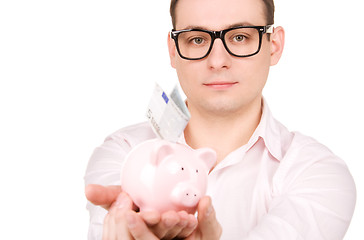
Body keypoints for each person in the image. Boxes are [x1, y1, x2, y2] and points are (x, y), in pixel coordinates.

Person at [84, 0, 356, 239]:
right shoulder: (122, 152)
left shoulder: (317, 172)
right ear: (173, 50)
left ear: (273, 45)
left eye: (239, 37)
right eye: (197, 39)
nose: (217, 61)